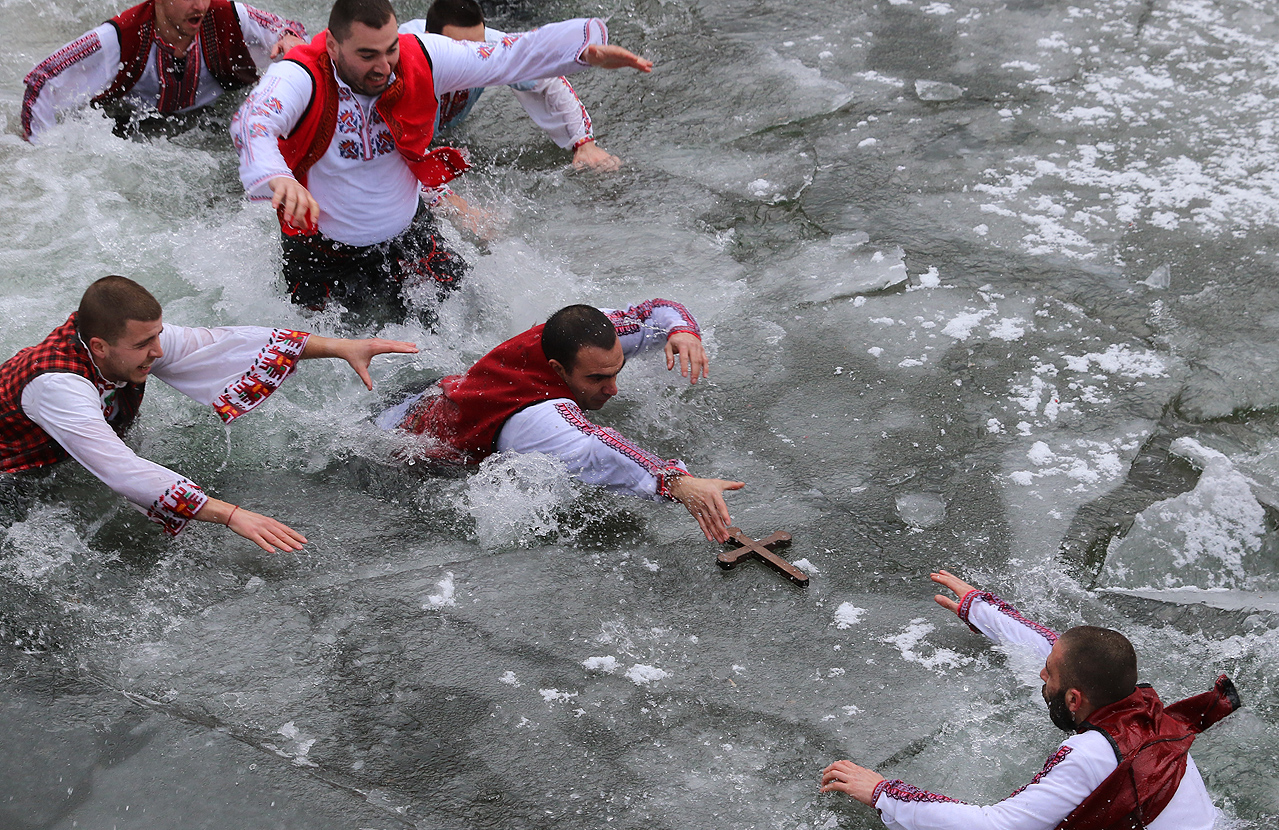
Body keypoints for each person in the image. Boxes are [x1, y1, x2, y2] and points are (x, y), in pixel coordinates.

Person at [230, 0, 652, 325]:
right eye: (367, 55)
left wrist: (581, 52)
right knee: (329, 362)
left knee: (471, 321)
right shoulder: (299, 74)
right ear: (334, 44)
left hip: (409, 235)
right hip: (322, 251)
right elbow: (253, 122)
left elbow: (507, 56)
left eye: (390, 50)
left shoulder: (422, 56)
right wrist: (277, 176)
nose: (383, 67)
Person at [822, 570, 1239, 830]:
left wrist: (882, 794)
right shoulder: (1146, 708)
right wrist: (981, 609)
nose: (1042, 676)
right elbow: (1062, 649)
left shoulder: (1090, 755)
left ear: (1074, 699)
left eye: (1048, 675)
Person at [0, 275, 417, 552]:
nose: (158, 351)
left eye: (159, 335)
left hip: (49, 457)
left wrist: (340, 347)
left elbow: (223, 343)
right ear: (99, 346)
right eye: (145, 343)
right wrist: (231, 514)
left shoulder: (127, 343)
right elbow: (121, 470)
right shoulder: (58, 386)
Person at [380, 301, 744, 542]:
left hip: (440, 391)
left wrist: (682, 331)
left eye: (616, 372)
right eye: (597, 380)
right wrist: (678, 483)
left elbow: (656, 310)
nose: (613, 389)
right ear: (557, 369)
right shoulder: (537, 418)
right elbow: (596, 446)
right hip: (400, 440)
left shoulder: (584, 337)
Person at [22, 0, 306, 141]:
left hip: (219, 120)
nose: (199, 5)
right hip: (133, 131)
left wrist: (292, 38)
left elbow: (288, 31)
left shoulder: (230, 16)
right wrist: (41, 151)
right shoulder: (120, 37)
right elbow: (41, 80)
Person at [400, 0, 619, 171]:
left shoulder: (491, 45)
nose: (474, 58)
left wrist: (583, 143)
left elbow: (546, 78)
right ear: (430, 41)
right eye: (461, 51)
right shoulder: (402, 65)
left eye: (478, 48)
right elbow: (400, 155)